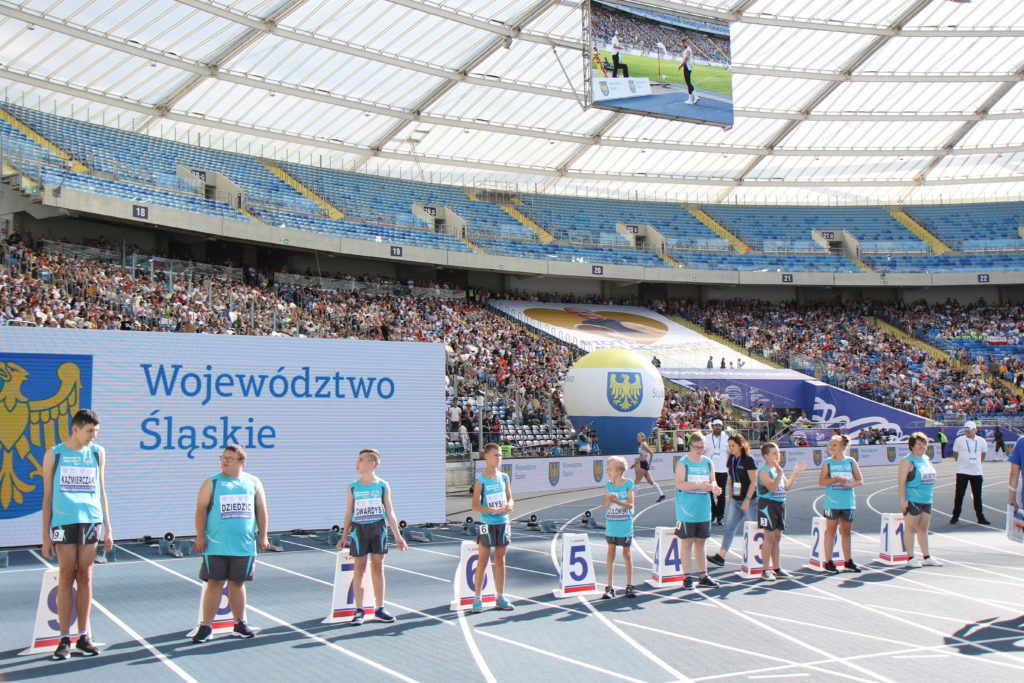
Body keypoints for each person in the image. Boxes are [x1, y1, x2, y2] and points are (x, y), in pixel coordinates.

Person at [40, 409, 113, 660]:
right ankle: (63, 639)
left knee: (86, 575)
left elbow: (101, 490)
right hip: (64, 521)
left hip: (91, 520)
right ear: (75, 428)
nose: (93, 436)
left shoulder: (97, 452)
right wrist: (45, 534)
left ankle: (84, 635)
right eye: (89, 431)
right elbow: (47, 496)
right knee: (66, 575)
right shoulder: (55, 454)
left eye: (96, 432)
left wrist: (108, 526)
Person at [192, 444, 270, 643]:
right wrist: (200, 535)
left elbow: (261, 510)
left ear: (242, 461)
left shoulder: (253, 482)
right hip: (216, 544)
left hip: (243, 545)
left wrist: (263, 535)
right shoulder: (212, 482)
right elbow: (201, 509)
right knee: (214, 583)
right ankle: (206, 626)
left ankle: (239, 623)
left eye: (230, 458)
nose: (225, 461)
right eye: (223, 457)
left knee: (237, 583)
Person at [337, 449, 408, 625]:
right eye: (357, 459)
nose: (357, 462)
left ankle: (380, 608)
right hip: (359, 530)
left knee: (378, 567)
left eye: (361, 460)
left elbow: (390, 512)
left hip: (378, 529)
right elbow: (349, 513)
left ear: (372, 464)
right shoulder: (353, 486)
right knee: (359, 569)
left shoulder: (382, 485)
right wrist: (344, 536)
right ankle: (359, 610)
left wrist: (398, 536)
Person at [470, 443, 515, 612]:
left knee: (500, 561)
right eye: (495, 455)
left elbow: (510, 498)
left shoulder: (504, 477)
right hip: (487, 524)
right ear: (486, 457)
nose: (499, 458)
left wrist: (509, 505)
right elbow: (475, 505)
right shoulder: (480, 480)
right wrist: (494, 510)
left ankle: (500, 597)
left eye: (500, 456)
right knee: (482, 560)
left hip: (503, 522)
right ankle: (477, 598)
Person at [674, 431, 721, 589]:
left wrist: (714, 488)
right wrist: (698, 485)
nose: (700, 450)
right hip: (687, 508)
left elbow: (712, 479)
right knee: (687, 542)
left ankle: (703, 575)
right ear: (691, 446)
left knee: (701, 542)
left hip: (703, 508)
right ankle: (687, 576)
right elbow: (679, 484)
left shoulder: (707, 462)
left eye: (702, 447)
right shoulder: (683, 463)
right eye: (697, 447)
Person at [756, 442, 806, 581]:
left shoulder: (778, 470)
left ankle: (777, 568)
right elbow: (772, 488)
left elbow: (786, 487)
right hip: (767, 505)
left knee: (777, 537)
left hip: (780, 504)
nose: (778, 455)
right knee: (769, 537)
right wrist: (779, 473)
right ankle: (765, 569)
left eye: (778, 453)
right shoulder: (764, 470)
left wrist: (795, 474)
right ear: (766, 456)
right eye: (774, 453)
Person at [707, 434, 757, 567]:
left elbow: (754, 482)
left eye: (733, 446)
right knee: (729, 528)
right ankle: (721, 556)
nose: (730, 448)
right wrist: (730, 496)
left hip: (750, 501)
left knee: (755, 528)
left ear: (741, 446)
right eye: (729, 446)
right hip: (736, 499)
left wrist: (747, 499)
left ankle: (759, 557)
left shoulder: (748, 460)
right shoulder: (731, 459)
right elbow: (731, 478)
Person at [818, 435, 863, 573]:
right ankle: (828, 561)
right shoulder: (827, 463)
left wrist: (849, 484)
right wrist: (835, 478)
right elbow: (821, 482)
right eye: (830, 445)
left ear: (843, 447)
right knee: (830, 531)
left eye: (834, 445)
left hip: (848, 502)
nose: (831, 447)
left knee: (846, 532)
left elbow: (860, 481)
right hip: (832, 502)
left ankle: (848, 561)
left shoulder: (850, 461)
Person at [898, 433, 942, 568]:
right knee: (910, 528)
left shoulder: (926, 459)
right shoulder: (907, 461)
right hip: (913, 499)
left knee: (923, 529)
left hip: (927, 499)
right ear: (912, 445)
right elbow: (901, 482)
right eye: (919, 444)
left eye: (924, 444)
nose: (922, 447)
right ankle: (910, 557)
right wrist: (902, 500)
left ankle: (926, 556)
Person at [602, 456, 636, 599]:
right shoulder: (609, 485)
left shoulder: (628, 483)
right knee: (610, 554)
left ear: (618, 471)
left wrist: (618, 502)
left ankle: (629, 585)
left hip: (624, 525)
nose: (607, 471)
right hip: (611, 524)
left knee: (626, 555)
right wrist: (609, 501)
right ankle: (609, 586)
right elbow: (604, 505)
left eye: (610, 469)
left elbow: (631, 505)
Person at [950, 421, 990, 524]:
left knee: (977, 496)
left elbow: (983, 454)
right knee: (959, 494)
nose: (967, 431)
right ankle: (955, 516)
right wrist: (961, 463)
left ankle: (980, 517)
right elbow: (955, 454)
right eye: (966, 429)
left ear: (975, 430)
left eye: (969, 429)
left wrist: (977, 464)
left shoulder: (981, 441)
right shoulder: (959, 440)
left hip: (976, 472)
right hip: (962, 471)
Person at [706, 419, 729, 525]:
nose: (717, 427)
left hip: (722, 470)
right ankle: (713, 512)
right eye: (715, 425)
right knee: (708, 493)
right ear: (712, 426)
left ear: (722, 427)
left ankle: (720, 516)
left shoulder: (727, 439)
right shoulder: (706, 438)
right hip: (709, 471)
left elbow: (730, 453)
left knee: (721, 495)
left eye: (719, 426)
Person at [633, 432, 666, 502]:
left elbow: (651, 453)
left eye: (639, 437)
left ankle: (631, 499)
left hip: (644, 464)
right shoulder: (641, 444)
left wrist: (649, 463)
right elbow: (641, 456)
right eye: (637, 437)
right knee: (650, 481)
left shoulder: (644, 444)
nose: (638, 438)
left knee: (636, 482)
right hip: (643, 463)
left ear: (643, 437)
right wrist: (635, 464)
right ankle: (662, 495)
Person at [678, 40, 699, 105]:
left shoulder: (687, 50)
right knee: (688, 83)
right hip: (688, 67)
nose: (682, 44)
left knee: (688, 83)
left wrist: (680, 66)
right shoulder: (687, 49)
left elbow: (685, 59)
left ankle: (695, 95)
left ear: (685, 43)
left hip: (687, 67)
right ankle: (690, 99)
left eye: (683, 43)